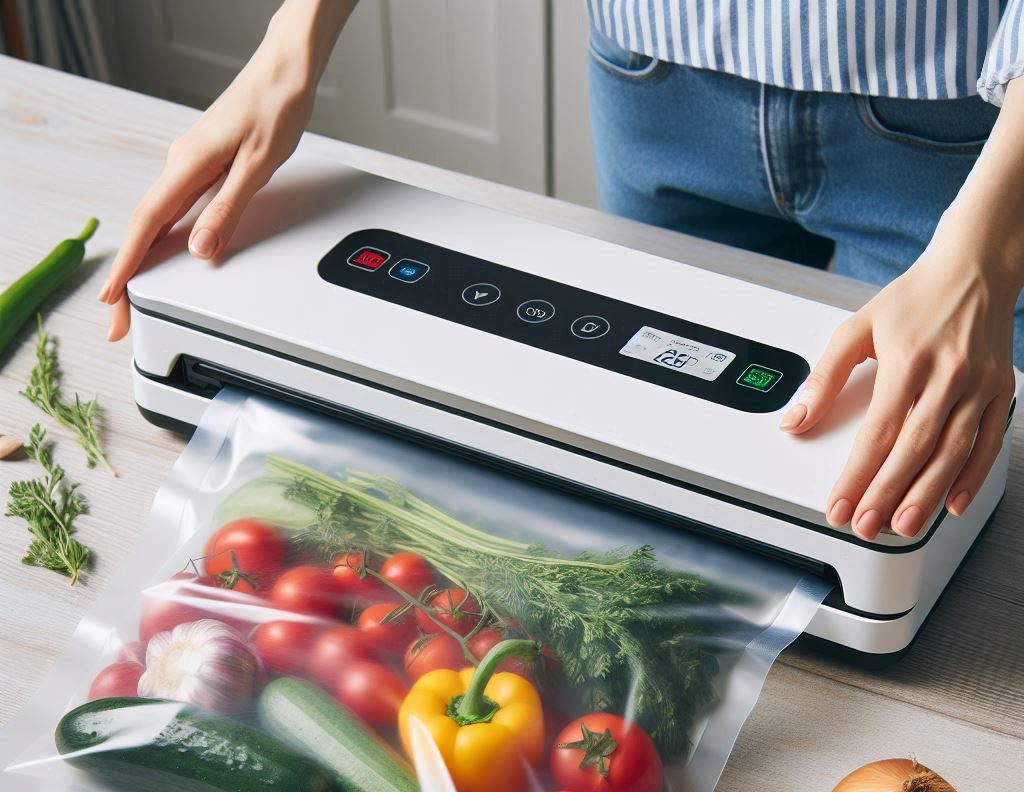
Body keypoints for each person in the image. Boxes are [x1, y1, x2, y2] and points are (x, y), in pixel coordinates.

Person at [99, 0, 1024, 543]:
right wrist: (288, 46)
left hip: (967, 138)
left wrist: (987, 251)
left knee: (916, 491)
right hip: (655, 74)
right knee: (647, 472)